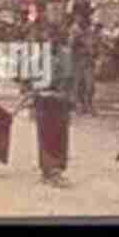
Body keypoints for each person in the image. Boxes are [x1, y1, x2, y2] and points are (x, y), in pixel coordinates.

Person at [18, 23, 74, 185]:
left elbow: (70, 79)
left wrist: (68, 98)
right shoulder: (38, 57)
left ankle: (56, 170)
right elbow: (27, 80)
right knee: (45, 135)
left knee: (60, 135)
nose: (52, 41)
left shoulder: (66, 55)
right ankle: (48, 170)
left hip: (60, 100)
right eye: (49, 37)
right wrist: (33, 93)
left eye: (55, 37)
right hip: (43, 100)